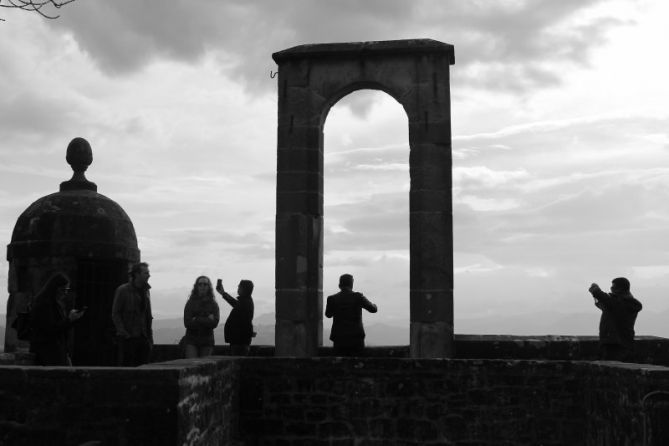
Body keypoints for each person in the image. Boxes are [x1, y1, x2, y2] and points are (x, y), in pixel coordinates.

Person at [30, 272, 85, 366]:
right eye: (63, 289)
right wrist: (69, 320)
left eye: (67, 290)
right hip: (47, 353)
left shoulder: (54, 303)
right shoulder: (44, 304)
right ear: (55, 288)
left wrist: (72, 320)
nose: (65, 293)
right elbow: (50, 329)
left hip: (55, 351)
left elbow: (60, 328)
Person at [589, 277, 642, 361]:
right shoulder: (627, 303)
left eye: (613, 287)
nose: (611, 289)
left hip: (615, 344)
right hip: (621, 342)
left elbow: (607, 300)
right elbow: (606, 303)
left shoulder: (620, 303)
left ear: (620, 289)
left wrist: (596, 291)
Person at [112, 262, 153, 366]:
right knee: (127, 367)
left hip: (143, 337)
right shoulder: (123, 290)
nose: (149, 275)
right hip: (128, 338)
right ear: (137, 274)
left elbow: (148, 315)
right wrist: (124, 333)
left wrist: (149, 337)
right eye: (146, 273)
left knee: (143, 367)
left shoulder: (146, 291)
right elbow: (116, 313)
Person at [325, 273, 377, 356]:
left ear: (340, 285)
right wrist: (374, 305)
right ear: (351, 284)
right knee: (356, 361)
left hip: (339, 337)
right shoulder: (358, 297)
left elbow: (328, 315)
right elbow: (373, 309)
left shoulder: (332, 299)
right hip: (356, 337)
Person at [181, 276, 220, 358]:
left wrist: (196, 319)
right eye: (200, 284)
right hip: (192, 340)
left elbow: (214, 323)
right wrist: (207, 319)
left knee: (204, 368)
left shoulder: (213, 304)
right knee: (191, 365)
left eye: (205, 284)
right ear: (196, 286)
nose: (202, 286)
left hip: (207, 341)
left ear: (209, 287)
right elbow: (187, 323)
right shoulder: (190, 303)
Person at [216, 278, 255, 356]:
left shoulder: (245, 303)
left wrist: (249, 333)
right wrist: (223, 293)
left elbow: (245, 322)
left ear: (244, 289)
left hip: (239, 341)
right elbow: (235, 303)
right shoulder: (245, 302)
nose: (238, 288)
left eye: (239, 287)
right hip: (239, 340)